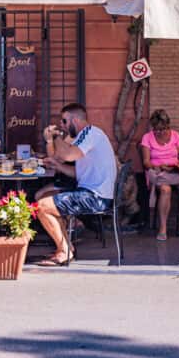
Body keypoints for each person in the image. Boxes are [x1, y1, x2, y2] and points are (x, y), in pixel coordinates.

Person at [34, 103, 117, 266]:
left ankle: (64, 251)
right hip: (92, 192)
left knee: (41, 206)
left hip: (95, 197)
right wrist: (57, 166)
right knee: (46, 199)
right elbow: (77, 173)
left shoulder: (90, 133)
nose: (62, 126)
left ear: (75, 120)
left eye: (64, 121)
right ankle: (65, 248)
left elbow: (69, 155)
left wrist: (56, 136)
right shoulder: (85, 136)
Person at [139, 109, 179, 241]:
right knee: (165, 190)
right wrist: (159, 166)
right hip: (157, 172)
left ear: (168, 125)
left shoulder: (175, 135)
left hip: (173, 172)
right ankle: (163, 229)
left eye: (164, 129)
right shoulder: (147, 138)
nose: (160, 132)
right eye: (157, 129)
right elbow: (146, 162)